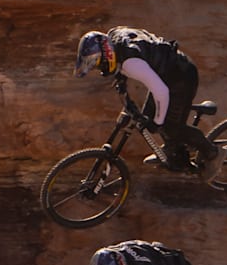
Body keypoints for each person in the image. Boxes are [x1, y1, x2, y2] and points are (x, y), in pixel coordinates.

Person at [75, 26, 211, 174]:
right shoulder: (114, 37)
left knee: (170, 125)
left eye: (98, 62)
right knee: (149, 114)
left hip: (181, 76)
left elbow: (161, 92)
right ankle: (174, 150)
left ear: (107, 52)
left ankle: (213, 152)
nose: (99, 67)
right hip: (167, 74)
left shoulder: (131, 64)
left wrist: (158, 124)